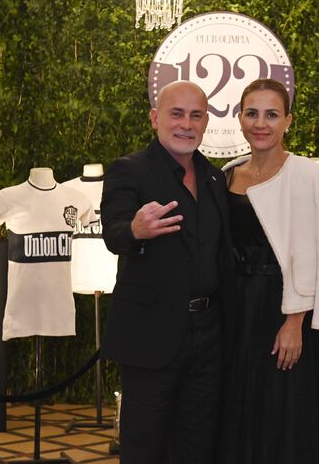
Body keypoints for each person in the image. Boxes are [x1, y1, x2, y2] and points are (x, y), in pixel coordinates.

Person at [100, 80, 233, 464]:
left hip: (209, 335)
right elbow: (114, 233)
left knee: (197, 443)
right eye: (177, 114)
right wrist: (135, 231)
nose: (186, 124)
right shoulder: (129, 170)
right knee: (144, 444)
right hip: (151, 335)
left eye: (196, 115)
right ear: (155, 118)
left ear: (206, 122)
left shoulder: (213, 178)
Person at [219, 78, 319, 464]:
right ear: (239, 118)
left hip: (284, 308)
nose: (261, 123)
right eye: (252, 113)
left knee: (285, 412)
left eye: (271, 115)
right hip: (234, 309)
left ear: (288, 121)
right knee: (236, 407)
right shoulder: (226, 175)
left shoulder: (311, 175)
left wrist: (295, 321)